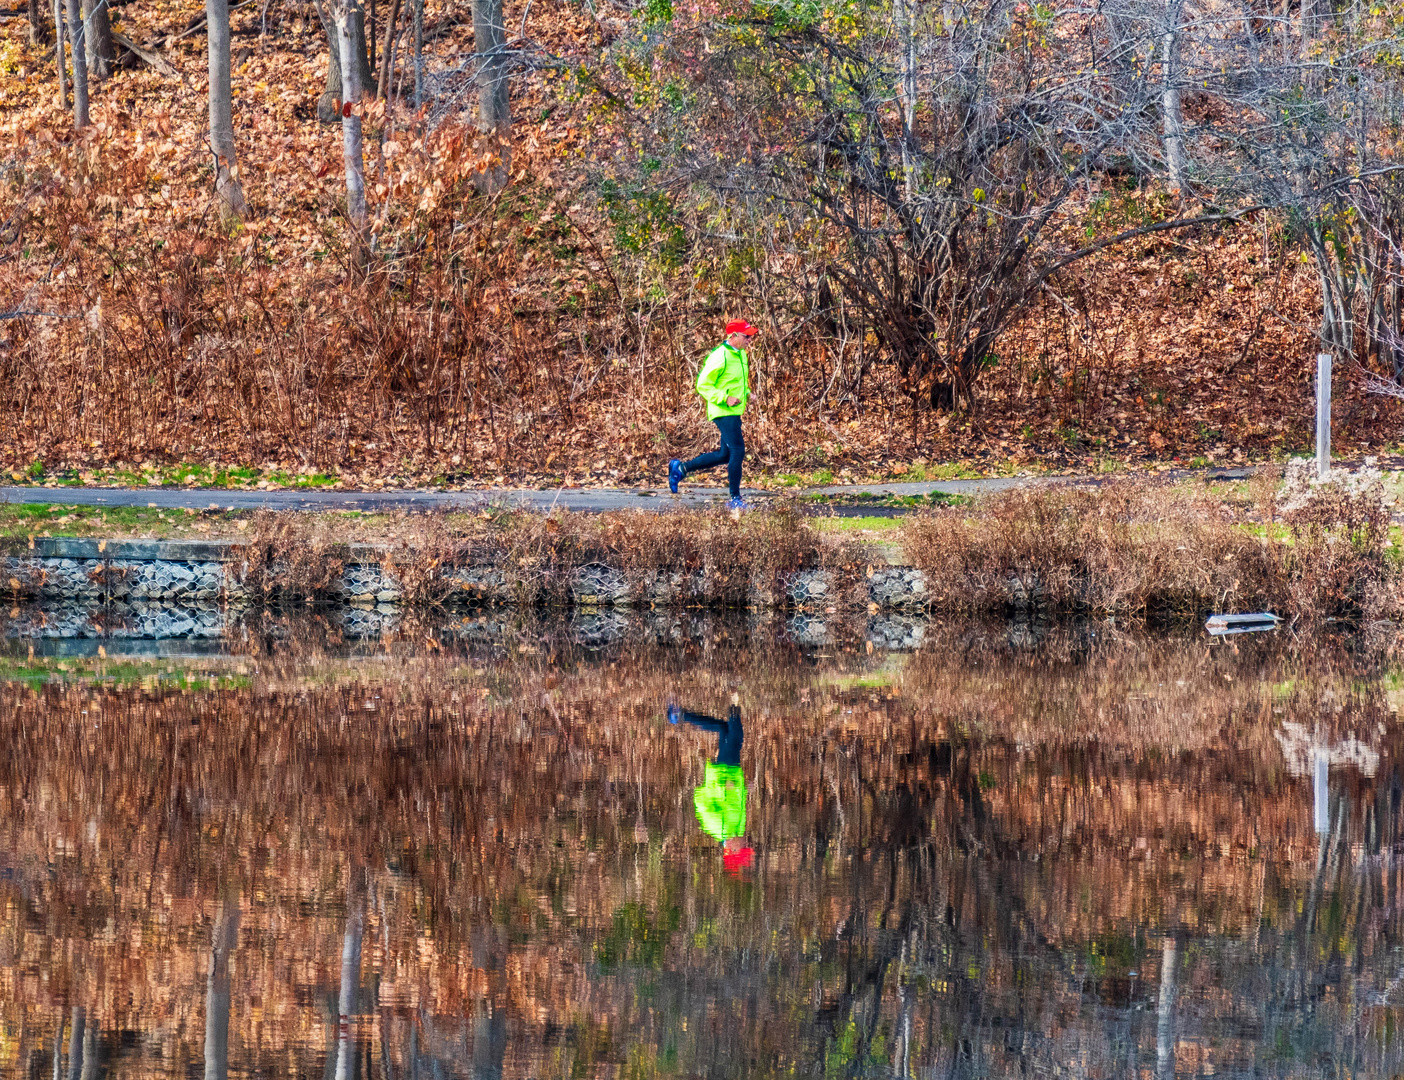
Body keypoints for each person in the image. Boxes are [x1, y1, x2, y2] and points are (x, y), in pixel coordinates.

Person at [668, 320, 758, 510]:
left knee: (724, 455)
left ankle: (680, 469)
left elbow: (734, 381)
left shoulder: (740, 354)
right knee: (737, 451)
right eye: (746, 336)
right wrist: (724, 398)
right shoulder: (720, 356)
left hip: (733, 410)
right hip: (723, 410)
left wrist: (748, 392)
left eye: (750, 335)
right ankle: (735, 500)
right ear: (733, 336)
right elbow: (702, 384)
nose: (750, 339)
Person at [668, 701, 754, 874]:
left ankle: (733, 697)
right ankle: (681, 716)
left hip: (723, 772)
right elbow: (737, 804)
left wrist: (721, 786)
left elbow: (700, 800)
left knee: (736, 733)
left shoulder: (717, 828)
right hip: (734, 773)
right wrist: (745, 789)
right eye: (747, 846)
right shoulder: (738, 829)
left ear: (731, 848)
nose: (747, 843)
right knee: (723, 728)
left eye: (743, 847)